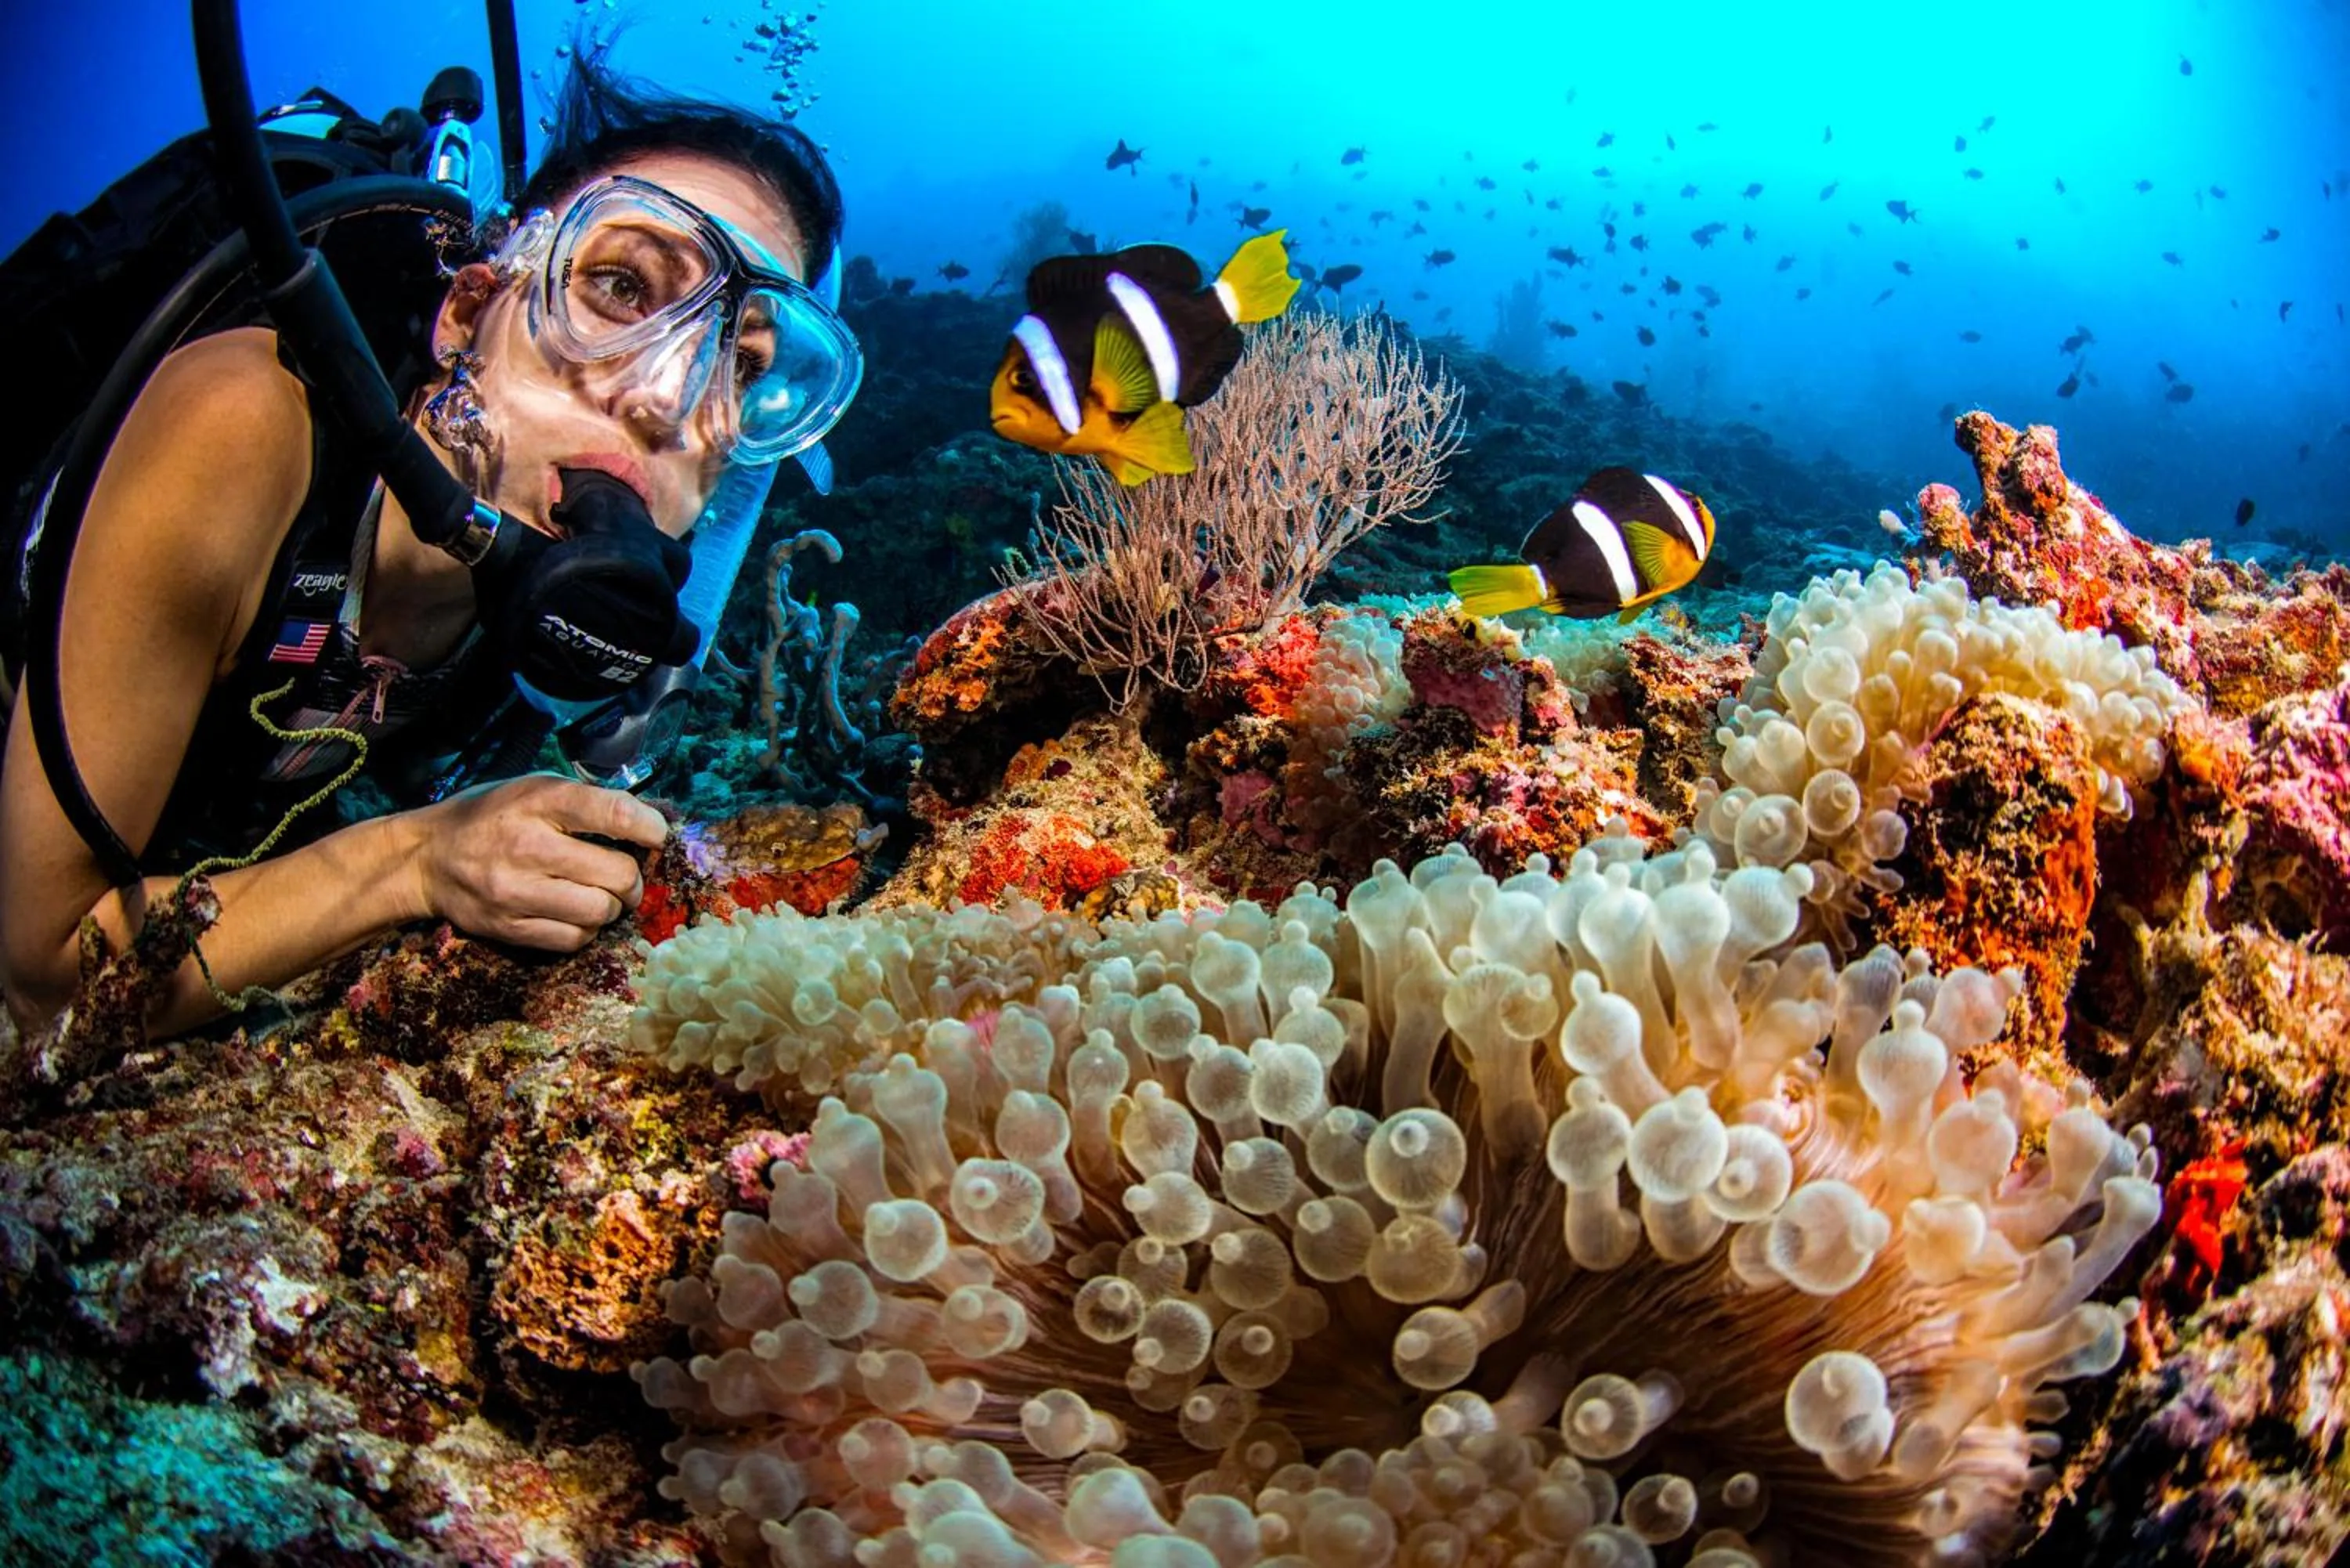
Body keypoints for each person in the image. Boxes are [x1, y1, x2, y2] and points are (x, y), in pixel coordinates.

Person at [0, 49, 857, 1040]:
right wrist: (417, 858)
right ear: (468, 310)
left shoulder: (587, 614)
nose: (667, 400)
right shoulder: (241, 427)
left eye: (742, 365)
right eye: (621, 288)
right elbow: (43, 976)